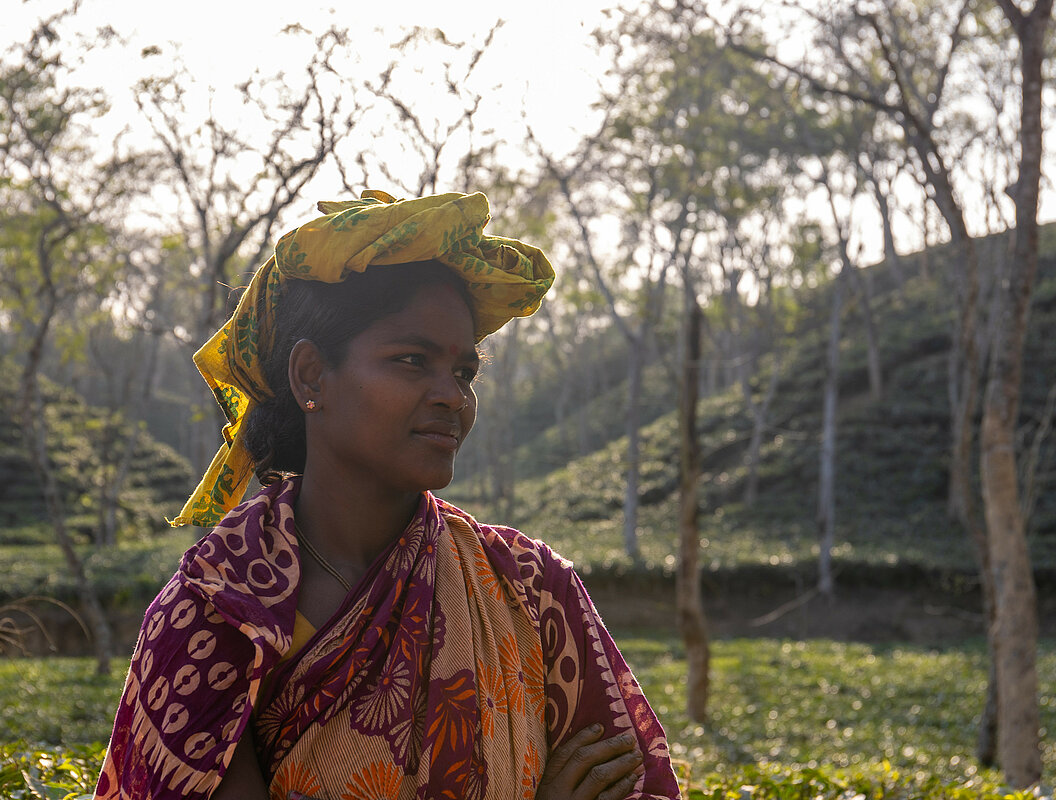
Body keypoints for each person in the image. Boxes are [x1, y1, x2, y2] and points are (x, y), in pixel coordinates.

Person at [94, 190, 681, 800]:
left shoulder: (529, 589)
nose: (452, 396)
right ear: (311, 376)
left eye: (464, 372)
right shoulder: (222, 610)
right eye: (411, 360)